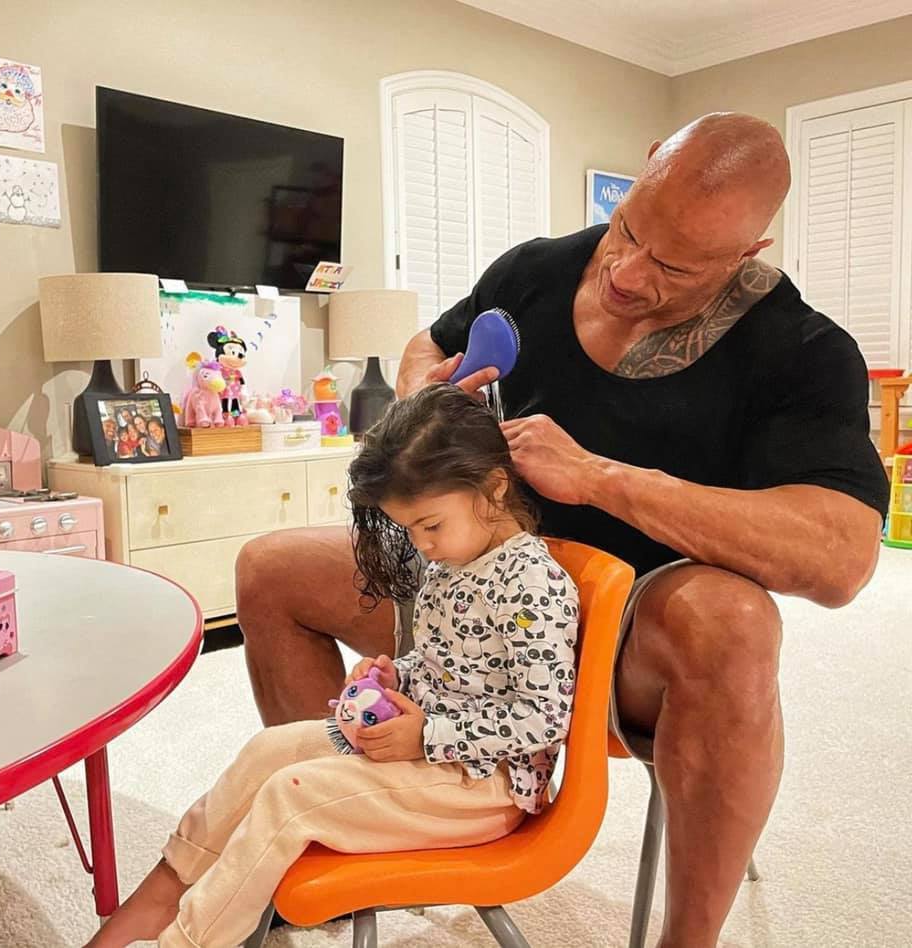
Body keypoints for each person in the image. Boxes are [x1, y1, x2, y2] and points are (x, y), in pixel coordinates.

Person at [235, 112, 889, 948]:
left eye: (675, 266)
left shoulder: (799, 349)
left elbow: (841, 558)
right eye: (630, 230)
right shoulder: (538, 270)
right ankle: (359, 824)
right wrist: (423, 394)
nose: (627, 271)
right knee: (270, 568)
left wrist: (603, 480)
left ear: (747, 252)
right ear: (649, 164)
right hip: (469, 596)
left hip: (630, 635)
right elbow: (424, 346)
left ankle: (690, 940)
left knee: (732, 623)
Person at [86, 385, 579, 948]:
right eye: (411, 531)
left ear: (493, 488)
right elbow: (455, 665)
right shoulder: (457, 561)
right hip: (434, 762)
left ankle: (189, 939)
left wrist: (428, 733)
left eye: (431, 526)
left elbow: (543, 718)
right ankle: (169, 885)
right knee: (265, 753)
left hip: (483, 788)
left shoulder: (533, 587)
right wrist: (401, 676)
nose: (423, 545)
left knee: (291, 794)